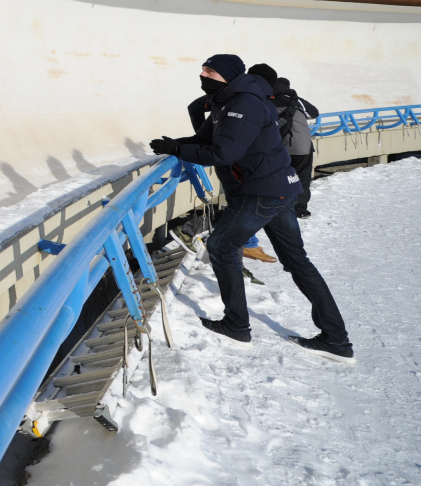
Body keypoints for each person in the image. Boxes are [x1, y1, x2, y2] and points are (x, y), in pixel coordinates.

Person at [150, 54, 353, 359]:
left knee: (220, 246)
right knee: (297, 261)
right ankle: (336, 340)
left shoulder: (243, 103)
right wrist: (173, 146)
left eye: (210, 70)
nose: (203, 74)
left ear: (228, 75)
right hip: (275, 188)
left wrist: (178, 149)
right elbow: (202, 140)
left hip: (262, 191)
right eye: (203, 69)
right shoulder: (225, 101)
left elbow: (223, 152)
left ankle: (236, 325)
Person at [188, 63, 279, 264]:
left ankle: (246, 244)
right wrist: (206, 137)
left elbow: (194, 107)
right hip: (239, 157)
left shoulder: (235, 91)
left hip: (233, 154)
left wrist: (207, 136)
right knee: (243, 202)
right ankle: (242, 247)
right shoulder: (245, 96)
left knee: (243, 201)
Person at [272, 77, 320, 218]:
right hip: (302, 146)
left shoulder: (267, 101)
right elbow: (314, 113)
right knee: (302, 179)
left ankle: (280, 207)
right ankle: (300, 209)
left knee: (281, 178)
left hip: (280, 147)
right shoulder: (297, 101)